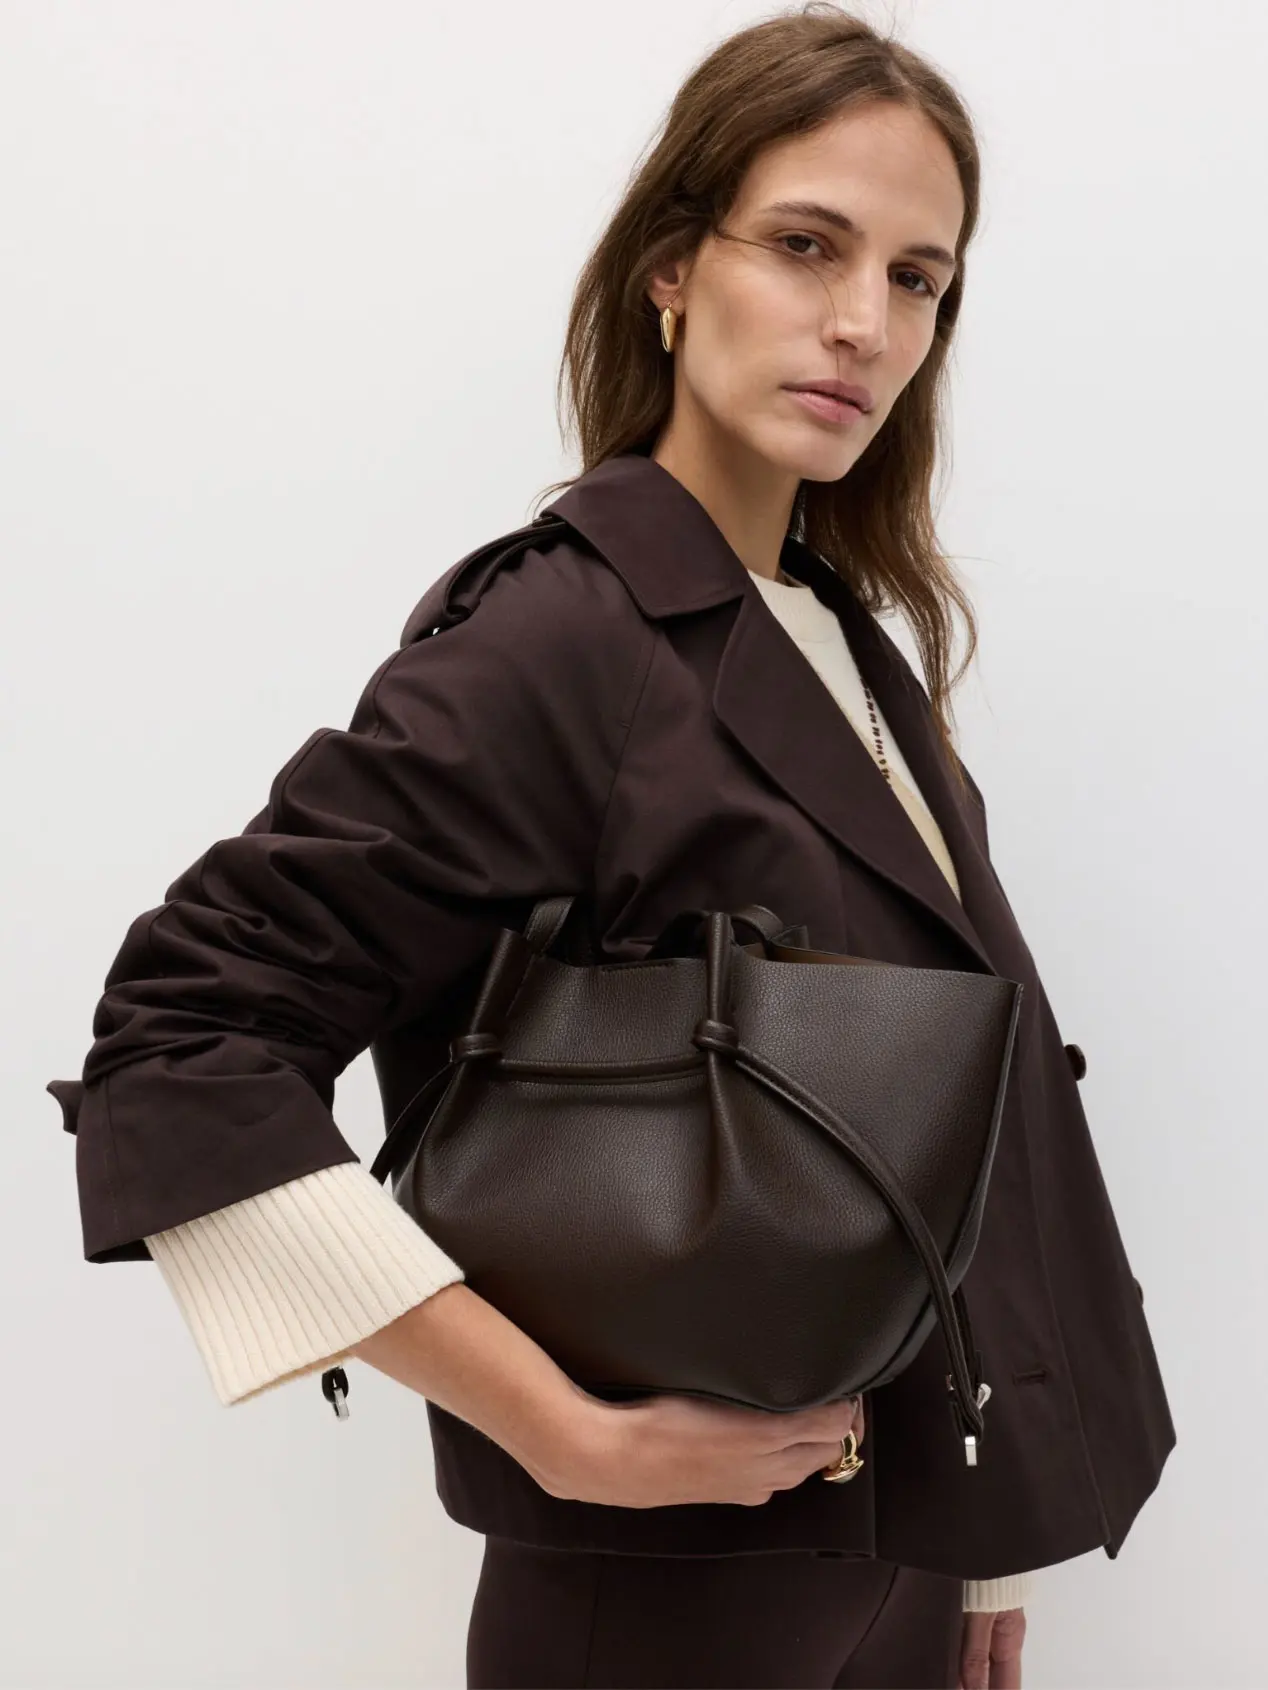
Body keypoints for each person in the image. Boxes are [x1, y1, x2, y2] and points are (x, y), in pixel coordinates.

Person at [45, 6, 1175, 1687]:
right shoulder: (559, 637)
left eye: (918, 278)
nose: (863, 323)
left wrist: (988, 1519)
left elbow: (950, 1093)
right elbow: (180, 1044)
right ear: (671, 267)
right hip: (658, 1604)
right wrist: (556, 1426)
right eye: (807, 246)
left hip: (890, 1572)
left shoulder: (845, 642)